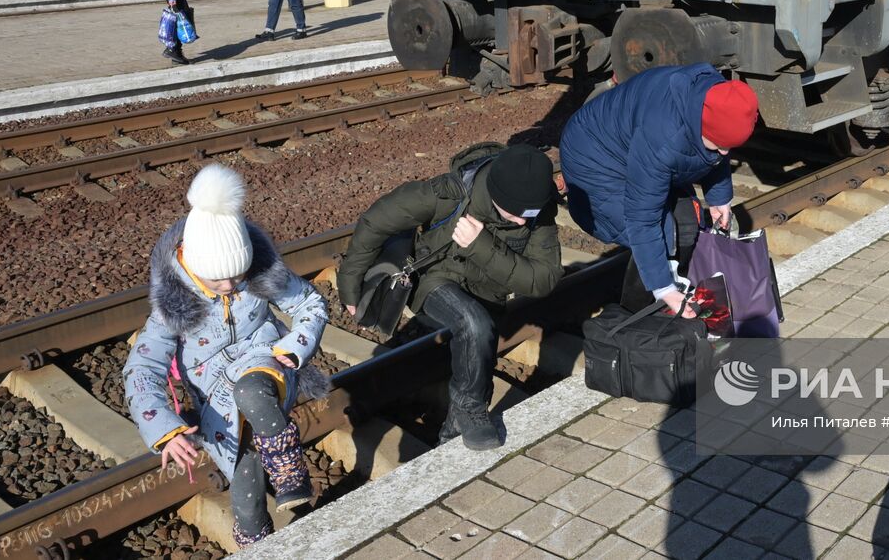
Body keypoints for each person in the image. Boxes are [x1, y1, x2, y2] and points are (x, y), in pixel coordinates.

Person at [124, 164, 329, 547]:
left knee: (249, 390)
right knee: (245, 482)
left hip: (265, 366)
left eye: (238, 275)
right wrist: (164, 430)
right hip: (214, 401)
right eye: (218, 280)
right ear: (194, 266)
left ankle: (288, 465)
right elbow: (142, 367)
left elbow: (311, 305)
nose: (231, 286)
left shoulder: (258, 274)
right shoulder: (173, 304)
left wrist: (296, 345)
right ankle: (255, 545)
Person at [336, 143, 562, 449]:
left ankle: (449, 442)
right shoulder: (450, 192)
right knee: (474, 324)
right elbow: (377, 220)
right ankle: (472, 408)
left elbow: (543, 280)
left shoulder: (538, 209)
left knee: (477, 353)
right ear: (496, 194)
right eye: (514, 213)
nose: (522, 222)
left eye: (528, 215)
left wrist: (479, 244)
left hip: (490, 291)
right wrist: (350, 284)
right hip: (436, 278)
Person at [559, 64, 759, 317]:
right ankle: (638, 319)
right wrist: (663, 287)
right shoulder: (664, 139)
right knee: (662, 233)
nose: (722, 153)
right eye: (718, 145)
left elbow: (717, 148)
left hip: (635, 144)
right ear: (699, 126)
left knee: (688, 221)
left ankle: (669, 291)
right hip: (594, 159)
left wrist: (720, 197)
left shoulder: (715, 96)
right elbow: (642, 218)